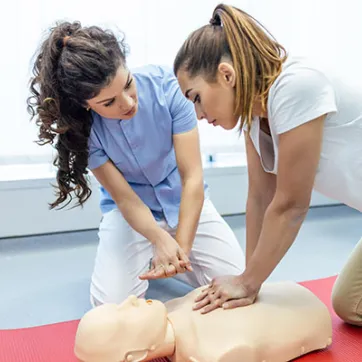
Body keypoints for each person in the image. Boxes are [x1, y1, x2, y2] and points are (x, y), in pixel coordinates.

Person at [27, 21, 245, 306]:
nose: (128, 102)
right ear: (86, 105)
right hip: (131, 213)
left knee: (237, 281)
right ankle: (154, 259)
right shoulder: (83, 130)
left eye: (128, 84)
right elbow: (125, 199)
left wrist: (181, 248)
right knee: (110, 307)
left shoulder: (169, 87)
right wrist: (157, 237)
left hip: (184, 201)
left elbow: (192, 176)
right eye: (109, 102)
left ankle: (171, 265)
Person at [172, 3, 362, 318]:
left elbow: (290, 205)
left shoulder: (296, 86)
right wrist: (249, 281)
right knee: (350, 303)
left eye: (196, 97)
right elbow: (260, 198)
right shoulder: (253, 118)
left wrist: (247, 282)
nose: (199, 114)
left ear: (227, 74)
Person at [74, 281, 332, 362]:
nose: (130, 299)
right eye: (124, 313)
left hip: (299, 303)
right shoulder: (212, 353)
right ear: (137, 354)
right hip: (306, 311)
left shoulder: (173, 308)